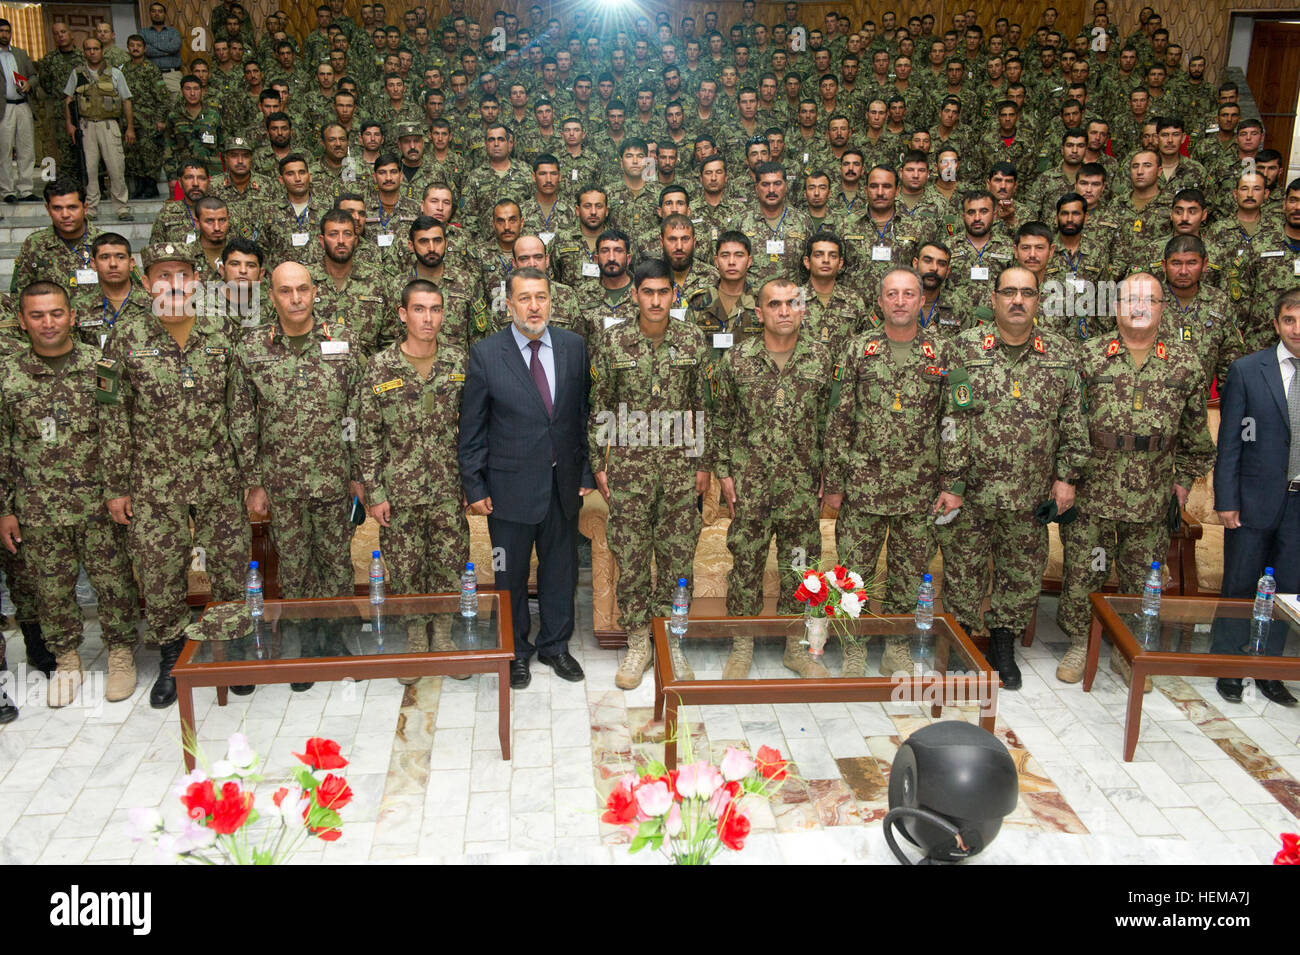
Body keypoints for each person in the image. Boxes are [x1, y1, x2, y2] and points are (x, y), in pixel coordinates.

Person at [100, 243, 250, 708]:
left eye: (183, 275)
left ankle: (231, 651)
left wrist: (250, 476)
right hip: (153, 480)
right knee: (161, 573)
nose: (174, 284)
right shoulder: (123, 338)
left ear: (198, 281)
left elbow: (240, 407)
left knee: (229, 562)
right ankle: (171, 657)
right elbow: (112, 417)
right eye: (163, 276)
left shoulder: (221, 330)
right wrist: (116, 486)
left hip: (217, 474)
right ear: (147, 283)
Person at [1055, 273, 1216, 687]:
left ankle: (1130, 650)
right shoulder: (1088, 357)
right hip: (1094, 489)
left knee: (1142, 577)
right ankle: (1079, 641)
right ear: (1115, 305)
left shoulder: (1185, 362)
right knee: (1083, 571)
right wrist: (1067, 478)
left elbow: (1196, 433)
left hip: (1153, 492)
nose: (1140, 307)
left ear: (1163, 306)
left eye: (1150, 299)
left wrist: (1181, 482)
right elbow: (1067, 425)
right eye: (1130, 299)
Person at [940, 266, 1088, 689]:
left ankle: (1003, 642)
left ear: (1039, 299)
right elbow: (951, 420)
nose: (1017, 300)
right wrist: (951, 482)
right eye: (1009, 292)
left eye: (1027, 292)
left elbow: (1072, 422)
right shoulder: (963, 349)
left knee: (1022, 572)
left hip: (1030, 493)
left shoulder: (1060, 354)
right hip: (972, 491)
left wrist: (1067, 478)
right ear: (994, 298)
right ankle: (964, 641)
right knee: (964, 571)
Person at [823, 267, 970, 676]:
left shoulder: (944, 352)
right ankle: (854, 646)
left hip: (920, 489)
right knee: (854, 572)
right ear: (881, 300)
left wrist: (953, 484)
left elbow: (954, 423)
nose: (900, 301)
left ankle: (898, 645)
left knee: (909, 573)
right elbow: (839, 420)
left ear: (922, 300)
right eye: (892, 294)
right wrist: (834, 483)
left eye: (909, 294)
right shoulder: (857, 350)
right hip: (862, 486)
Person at [0, 282, 140, 706]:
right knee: (51, 588)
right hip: (37, 506)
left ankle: (120, 656)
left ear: (73, 317)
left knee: (113, 581)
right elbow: (4, 445)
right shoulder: (8, 375)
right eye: (38, 315)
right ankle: (67, 660)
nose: (48, 323)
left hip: (99, 503)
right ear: (22, 321)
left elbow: (118, 432)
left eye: (56, 314)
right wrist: (5, 508)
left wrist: (118, 490)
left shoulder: (102, 369)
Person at [459, 266, 595, 689]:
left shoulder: (574, 347)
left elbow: (582, 416)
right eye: (524, 298)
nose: (534, 306)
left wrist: (586, 470)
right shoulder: (485, 353)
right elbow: (472, 427)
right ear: (509, 304)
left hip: (562, 486)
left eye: (541, 297)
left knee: (560, 571)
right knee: (509, 574)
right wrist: (475, 486)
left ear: (551, 301)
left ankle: (555, 646)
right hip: (508, 490)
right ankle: (515, 651)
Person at [230, 260, 363, 693]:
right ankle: (307, 644)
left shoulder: (342, 343)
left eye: (302, 289)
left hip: (334, 479)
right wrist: (254, 481)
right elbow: (242, 419)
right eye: (285, 291)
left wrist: (358, 473)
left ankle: (336, 640)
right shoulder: (251, 349)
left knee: (336, 564)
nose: (296, 299)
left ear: (315, 292)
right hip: (281, 483)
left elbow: (358, 413)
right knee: (295, 568)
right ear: (272, 297)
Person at [588, 259, 711, 689]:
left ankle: (672, 639)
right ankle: (639, 640)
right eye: (648, 292)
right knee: (633, 556)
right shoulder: (613, 341)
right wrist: (599, 463)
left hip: (680, 470)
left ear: (673, 295)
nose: (656, 300)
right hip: (630, 470)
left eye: (664, 292)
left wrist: (702, 463)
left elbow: (701, 408)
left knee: (679, 559)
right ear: (635, 294)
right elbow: (600, 403)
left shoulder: (692, 340)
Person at [713, 276, 836, 678]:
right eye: (775, 304)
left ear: (803, 308)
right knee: (746, 563)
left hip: (800, 487)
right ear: (759, 312)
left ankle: (794, 646)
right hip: (749, 485)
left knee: (800, 567)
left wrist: (827, 474)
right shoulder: (737, 360)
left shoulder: (822, 360)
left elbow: (831, 423)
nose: (784, 311)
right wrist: (726, 473)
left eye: (791, 303)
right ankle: (742, 643)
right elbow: (722, 421)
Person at [358, 280, 469, 684]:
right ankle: (415, 638)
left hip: (446, 487)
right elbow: (367, 434)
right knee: (404, 567)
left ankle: (443, 634)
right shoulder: (380, 366)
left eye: (436, 309)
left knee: (449, 562)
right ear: (403, 314)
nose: (428, 318)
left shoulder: (459, 362)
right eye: (419, 309)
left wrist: (470, 485)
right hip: (398, 491)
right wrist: (375, 493)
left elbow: (472, 429)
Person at [1211, 288, 1300, 706]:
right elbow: (1229, 442)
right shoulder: (1247, 370)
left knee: (1288, 590)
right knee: (1241, 585)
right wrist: (1226, 499)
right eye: (1289, 320)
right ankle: (1227, 667)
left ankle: (1269, 670)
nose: (1297, 329)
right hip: (1250, 501)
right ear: (1276, 323)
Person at [64, 36, 136, 223]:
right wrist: (70, 124)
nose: (92, 52)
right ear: (84, 52)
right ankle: (91, 208)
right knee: (89, 168)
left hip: (109, 124)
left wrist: (130, 128)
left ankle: (121, 207)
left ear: (102, 51)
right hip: (86, 126)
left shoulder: (115, 74)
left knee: (116, 167)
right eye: (88, 49)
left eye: (96, 49)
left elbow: (126, 100)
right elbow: (69, 100)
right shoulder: (77, 73)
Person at [0, 19, 38, 204]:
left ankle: (26, 189)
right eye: (1, 31)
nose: (4, 35)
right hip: (3, 107)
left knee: (26, 148)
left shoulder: (20, 53)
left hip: (23, 104)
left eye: (7, 31)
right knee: (4, 150)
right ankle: (7, 191)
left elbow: (33, 75)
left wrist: (29, 84)